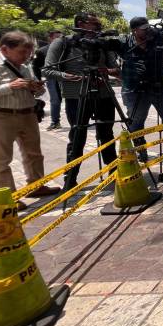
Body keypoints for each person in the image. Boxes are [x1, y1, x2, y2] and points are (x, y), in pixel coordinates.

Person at [43, 12, 119, 191]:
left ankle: (115, 173)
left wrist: (106, 71)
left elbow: (115, 68)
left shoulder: (102, 42)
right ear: (80, 24)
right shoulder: (63, 42)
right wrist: (67, 76)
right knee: (77, 136)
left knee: (107, 134)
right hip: (76, 96)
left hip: (103, 94)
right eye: (93, 23)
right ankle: (70, 180)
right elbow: (47, 69)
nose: (97, 26)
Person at [0, 32, 61, 209]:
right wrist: (8, 86)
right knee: (1, 160)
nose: (26, 57)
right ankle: (9, 198)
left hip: (27, 114)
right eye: (22, 52)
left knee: (34, 154)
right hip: (0, 116)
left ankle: (36, 185)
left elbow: (36, 89)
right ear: (5, 49)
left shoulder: (24, 65)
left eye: (28, 53)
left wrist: (36, 88)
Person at [118, 16, 163, 162]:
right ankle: (141, 151)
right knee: (136, 122)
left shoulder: (157, 40)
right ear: (134, 31)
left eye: (148, 28)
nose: (148, 31)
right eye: (144, 29)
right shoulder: (124, 42)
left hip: (160, 85)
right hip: (135, 88)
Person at [32, 30, 64, 130]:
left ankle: (76, 121)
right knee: (55, 100)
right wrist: (38, 80)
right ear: (50, 38)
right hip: (52, 78)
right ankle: (55, 122)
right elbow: (35, 66)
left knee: (74, 99)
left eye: (61, 37)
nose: (59, 39)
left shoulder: (66, 49)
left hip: (67, 77)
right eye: (56, 37)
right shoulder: (42, 51)